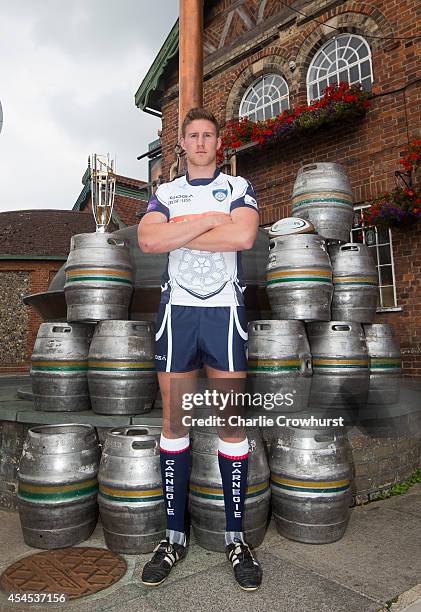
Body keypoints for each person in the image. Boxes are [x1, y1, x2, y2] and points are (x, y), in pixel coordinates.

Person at [137, 107, 261, 590]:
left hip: (224, 315)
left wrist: (183, 230)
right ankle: (173, 537)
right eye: (194, 135)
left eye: (210, 135)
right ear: (183, 144)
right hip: (178, 317)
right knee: (175, 422)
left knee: (231, 423)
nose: (202, 142)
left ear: (218, 143)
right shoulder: (165, 193)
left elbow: (244, 234)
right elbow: (150, 241)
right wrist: (211, 221)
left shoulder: (238, 187)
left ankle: (235, 538)